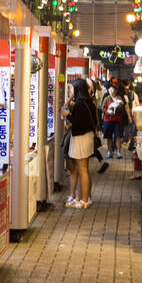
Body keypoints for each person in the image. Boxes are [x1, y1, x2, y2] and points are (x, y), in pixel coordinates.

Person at [61, 78, 97, 208]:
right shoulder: (88, 103)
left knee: (82, 170)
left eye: (72, 89)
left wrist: (67, 115)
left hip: (81, 138)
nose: (71, 91)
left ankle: (84, 201)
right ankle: (84, 198)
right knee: (84, 170)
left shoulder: (80, 104)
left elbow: (76, 121)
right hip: (86, 137)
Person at [102, 81, 127, 158]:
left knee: (118, 136)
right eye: (110, 90)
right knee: (109, 137)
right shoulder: (106, 98)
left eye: (113, 90)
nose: (111, 91)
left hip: (117, 121)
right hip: (108, 120)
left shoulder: (119, 98)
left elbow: (122, 107)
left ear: (116, 91)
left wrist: (116, 109)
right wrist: (107, 112)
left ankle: (118, 152)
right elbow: (103, 108)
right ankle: (110, 152)